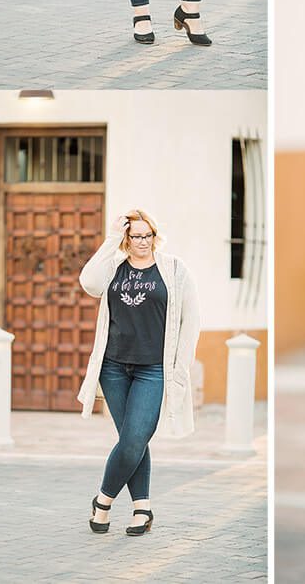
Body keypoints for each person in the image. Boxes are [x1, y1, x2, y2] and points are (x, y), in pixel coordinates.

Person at [78, 209, 201, 535]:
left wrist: (180, 369)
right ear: (127, 239)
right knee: (133, 439)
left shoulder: (175, 270)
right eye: (136, 236)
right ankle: (142, 508)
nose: (143, 242)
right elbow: (89, 284)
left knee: (134, 439)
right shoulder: (113, 268)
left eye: (147, 235)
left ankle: (102, 502)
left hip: (153, 369)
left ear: (155, 236)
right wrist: (109, 239)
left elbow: (192, 322)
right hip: (114, 367)